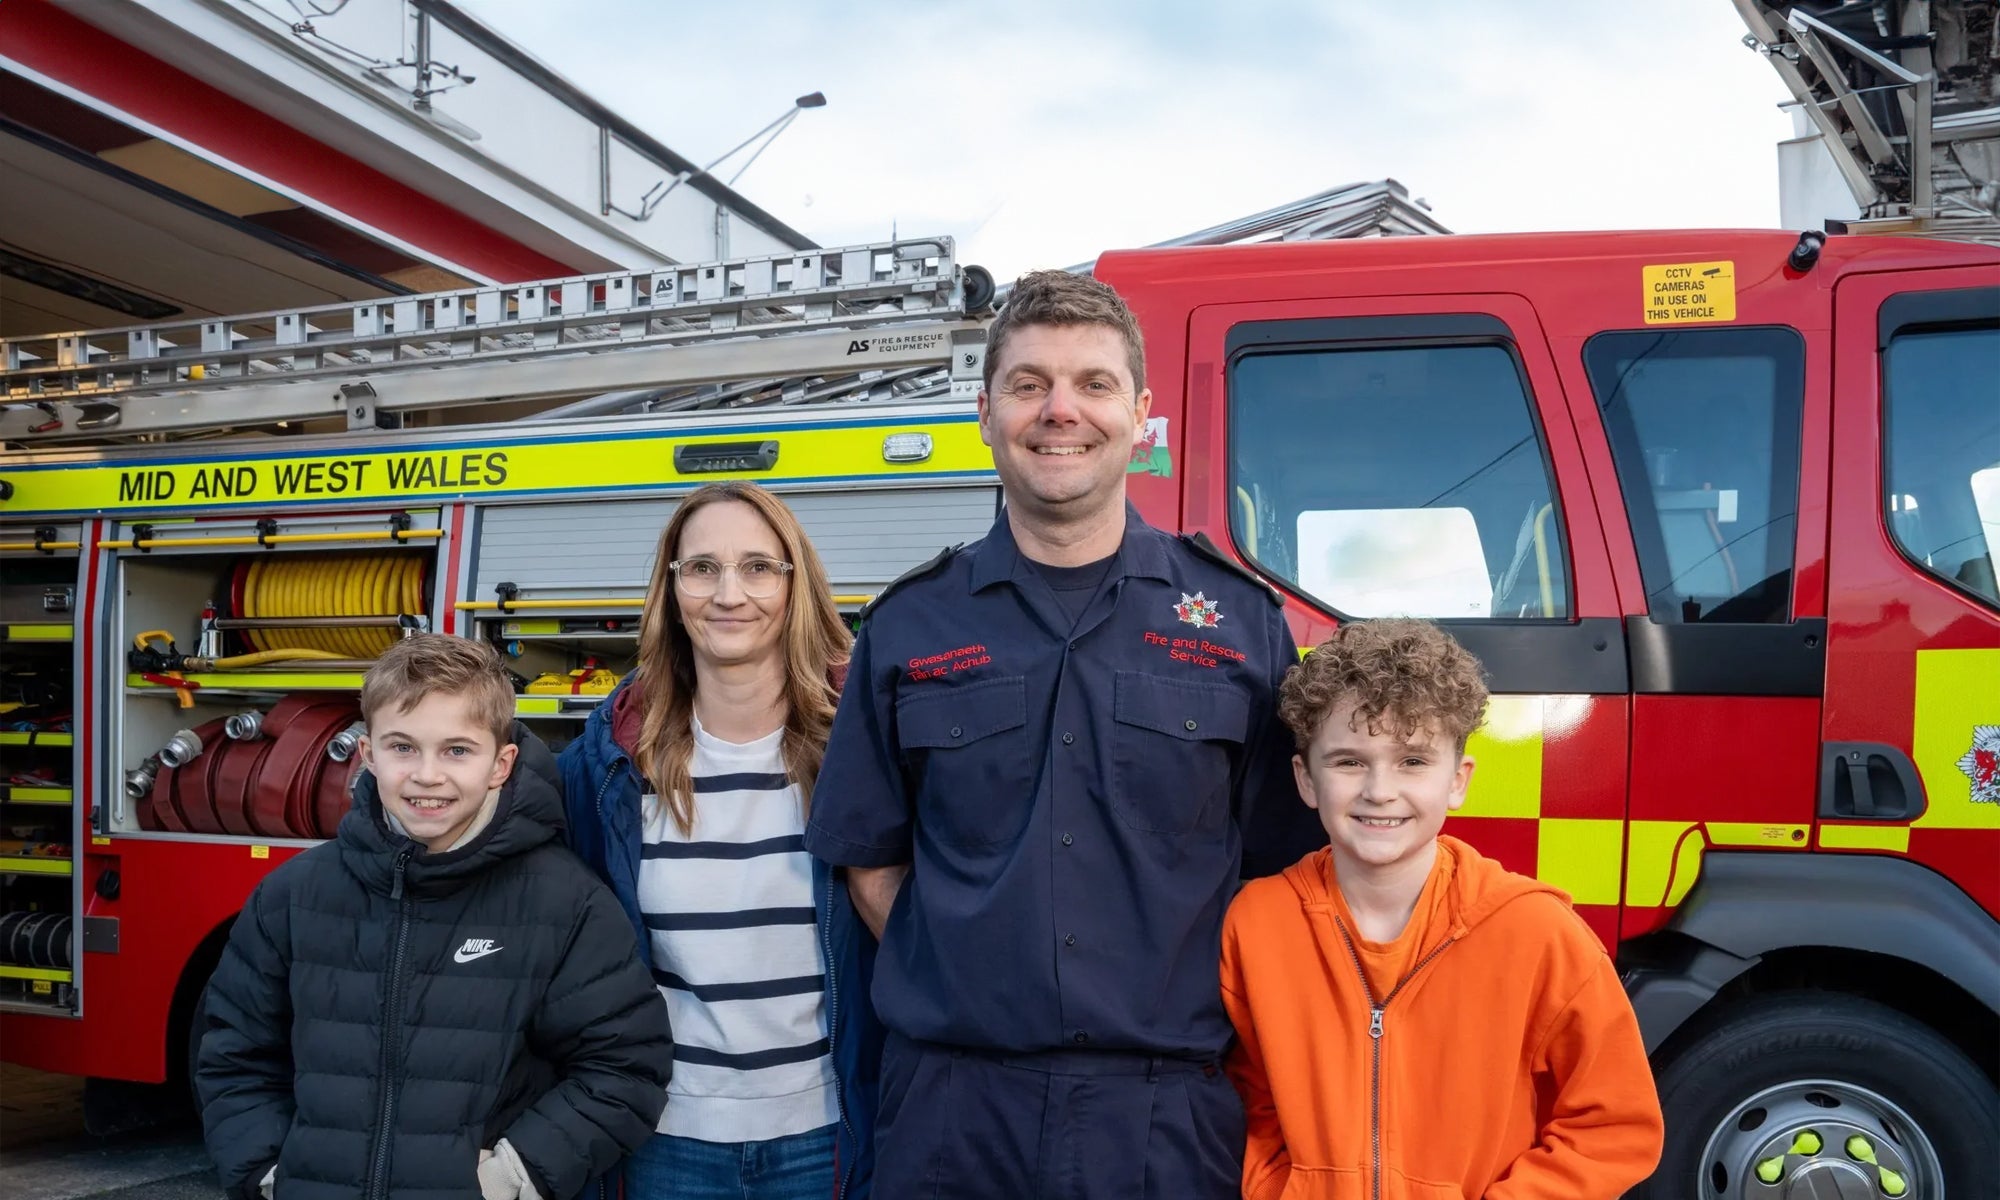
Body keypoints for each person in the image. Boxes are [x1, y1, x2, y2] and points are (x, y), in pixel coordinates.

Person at [803, 269, 1314, 1199]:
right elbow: (869, 860)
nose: (1059, 410)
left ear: (1141, 414)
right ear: (986, 410)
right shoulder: (910, 624)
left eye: (1094, 384)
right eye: (1029, 383)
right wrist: (968, 968)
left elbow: (1279, 864)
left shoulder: (1240, 623)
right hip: (954, 1108)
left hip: (1167, 1112)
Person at [196, 634, 673, 1200]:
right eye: (402, 747)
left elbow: (624, 1066)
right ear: (368, 754)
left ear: (501, 763)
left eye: (456, 750)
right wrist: (268, 1173)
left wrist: (511, 1180)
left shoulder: (566, 905)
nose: (427, 775)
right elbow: (235, 1054)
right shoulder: (292, 897)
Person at [1220, 619, 1665, 1200]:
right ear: (1306, 780)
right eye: (1349, 762)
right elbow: (1245, 1100)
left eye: (1412, 761)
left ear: (1458, 780)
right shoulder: (1255, 924)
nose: (1380, 789)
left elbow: (1613, 1127)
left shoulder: (1538, 933)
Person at [560, 480, 882, 1200]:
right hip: (663, 1142)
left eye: (758, 567)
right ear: (671, 589)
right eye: (702, 567)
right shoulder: (611, 765)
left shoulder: (862, 751)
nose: (729, 593)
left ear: (796, 583)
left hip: (828, 1136)